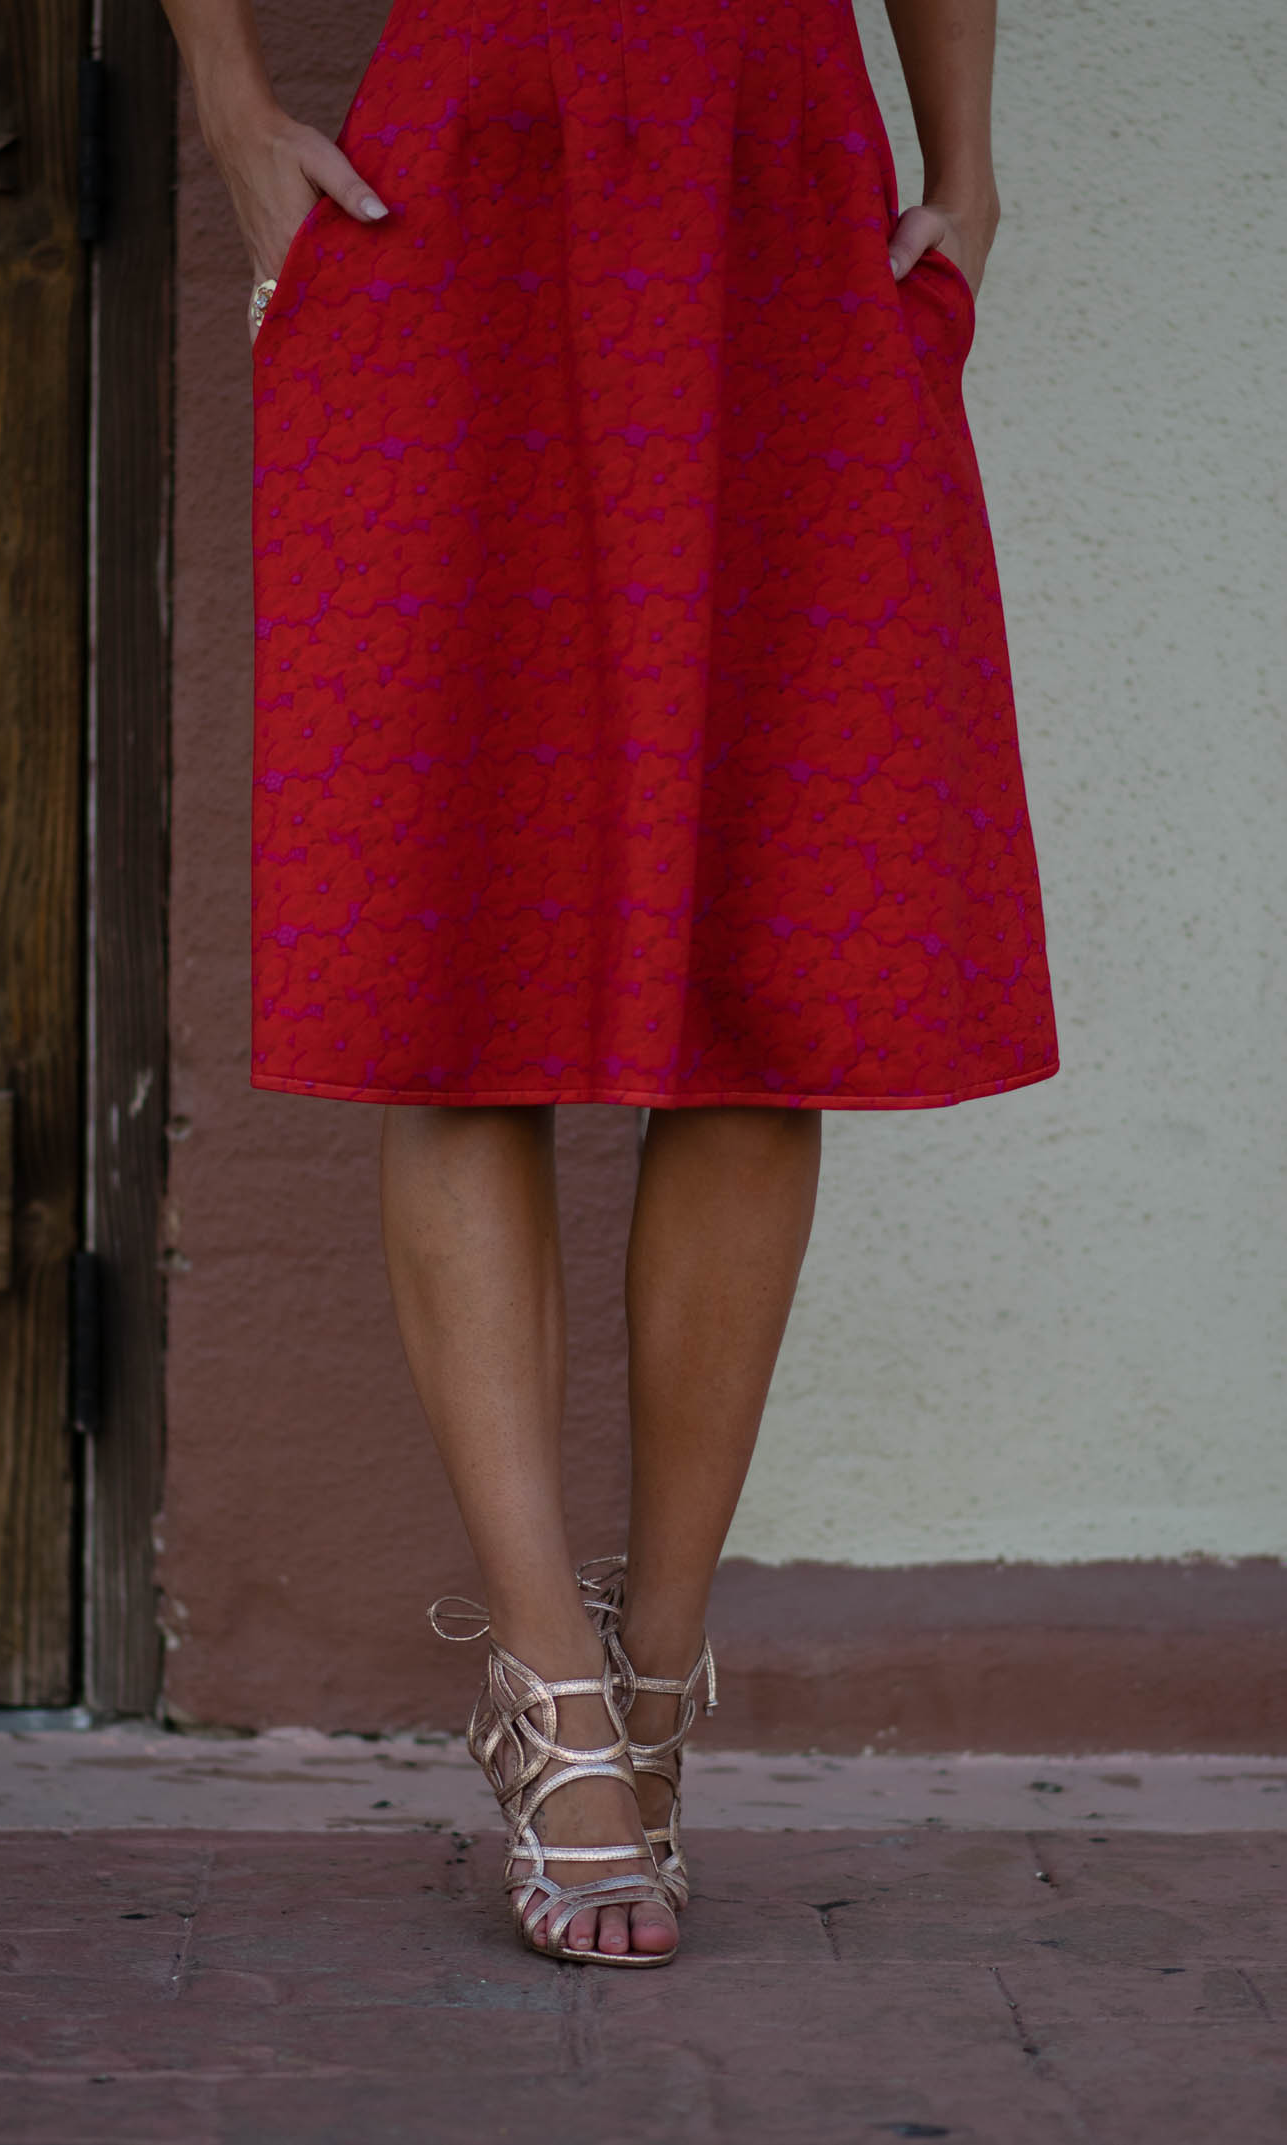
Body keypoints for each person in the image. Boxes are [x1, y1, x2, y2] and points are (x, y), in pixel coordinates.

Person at [161, 0, 1058, 1968]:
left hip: (776, 181)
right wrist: (227, 95)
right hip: (465, 170)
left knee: (768, 960)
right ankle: (551, 1682)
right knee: (454, 957)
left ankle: (656, 1664)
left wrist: (965, 161)